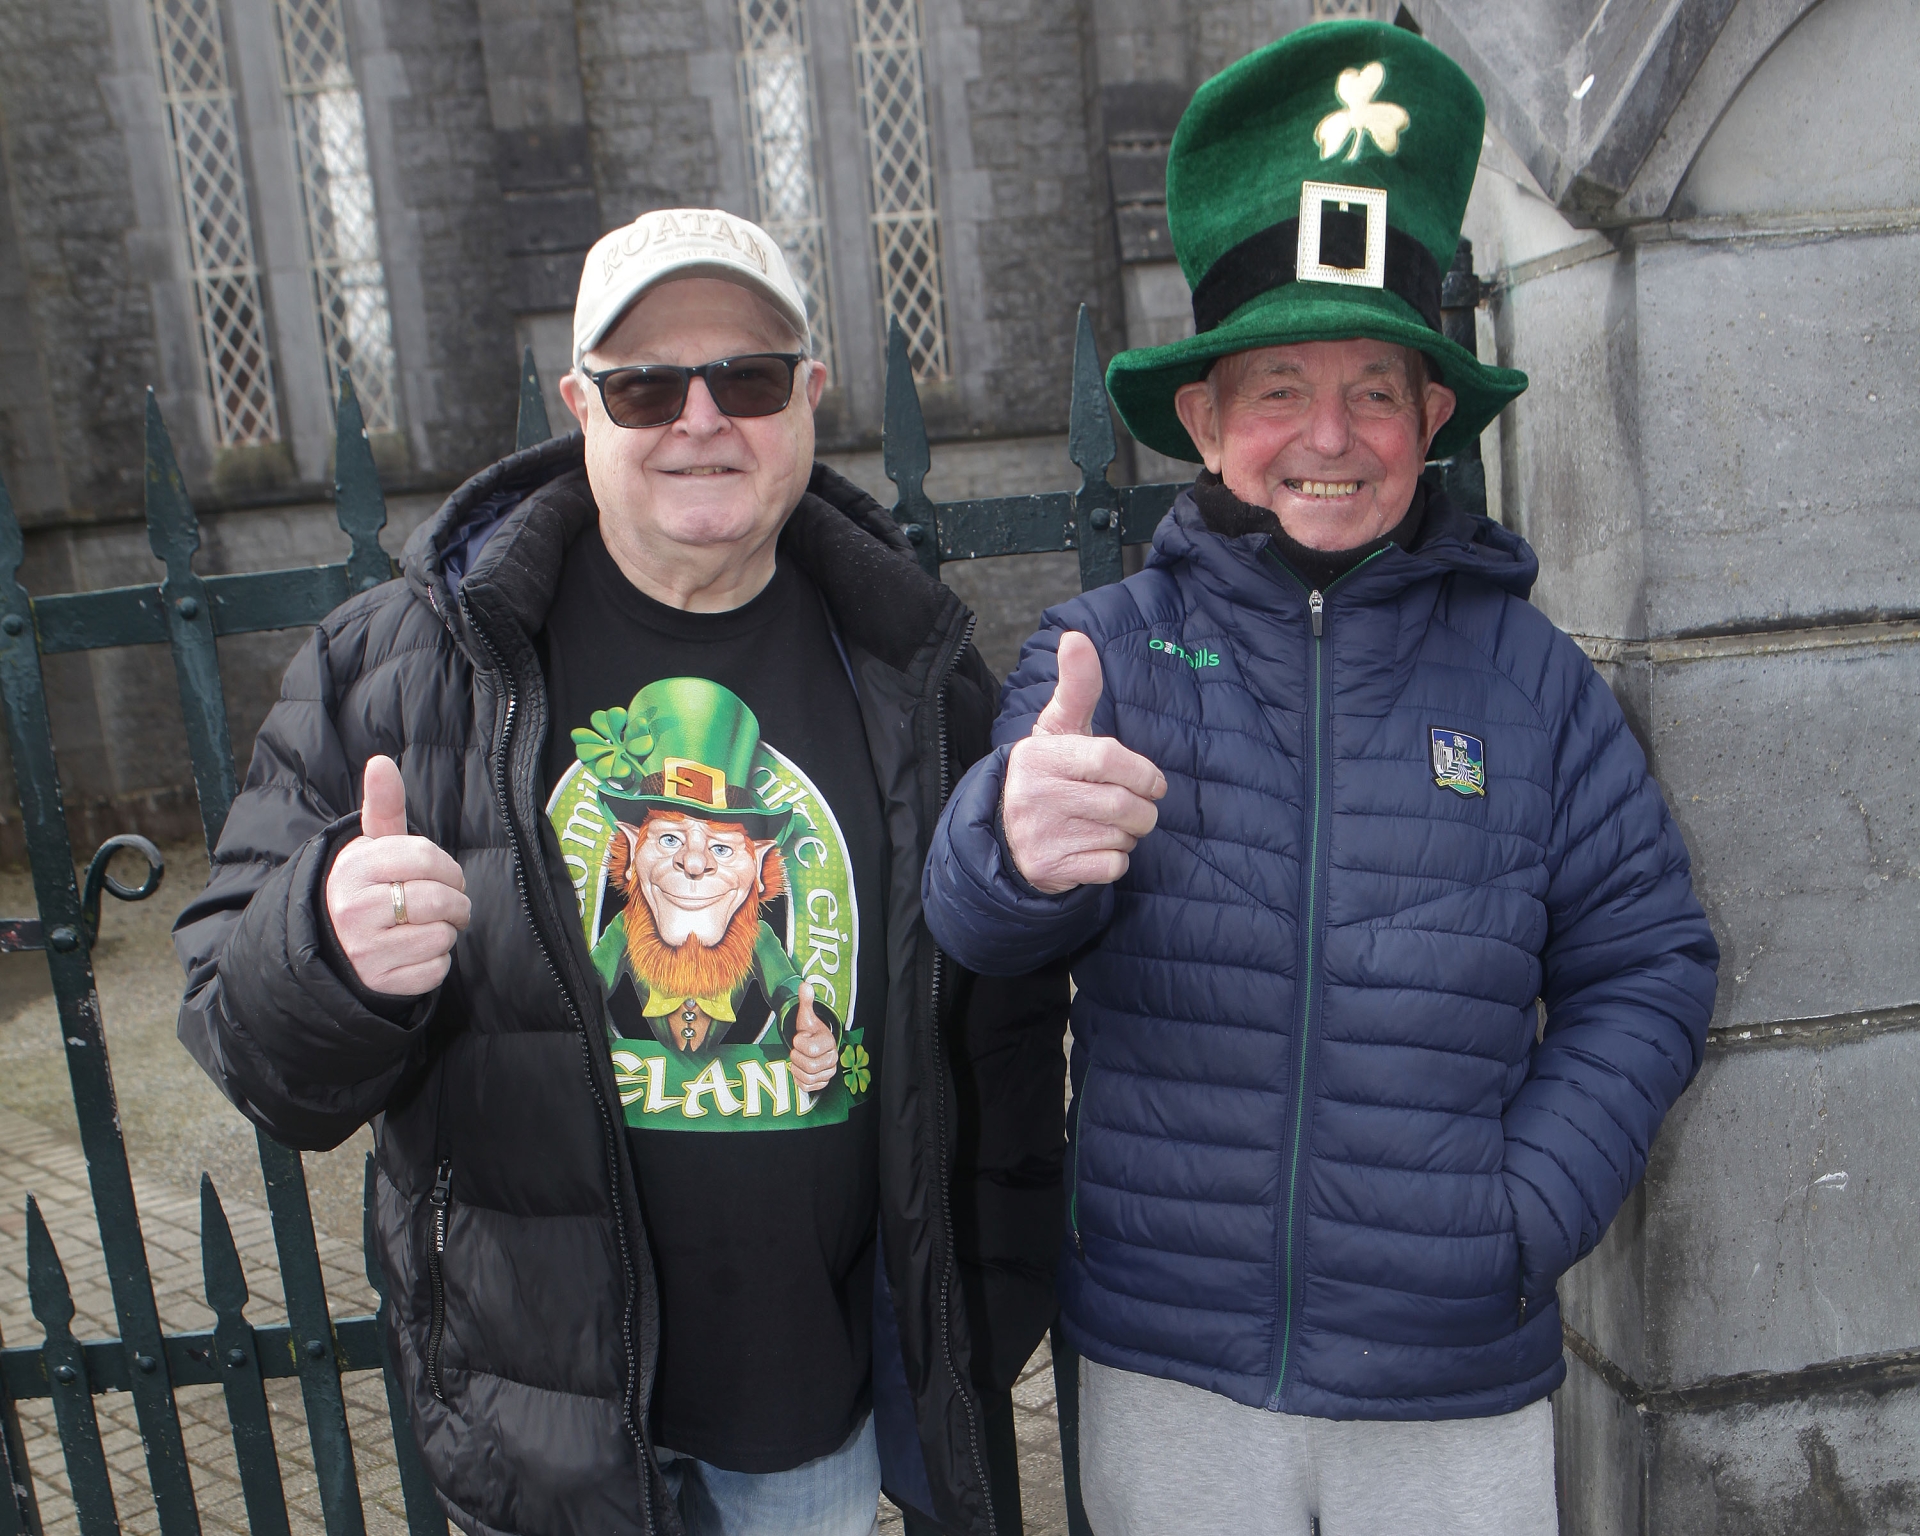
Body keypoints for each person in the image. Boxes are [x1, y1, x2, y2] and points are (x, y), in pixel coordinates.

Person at [921, 21, 1718, 1536]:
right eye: (1279, 386)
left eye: (1376, 389)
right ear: (1207, 420)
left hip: (1450, 1383)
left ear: (1433, 419)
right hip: (1173, 1375)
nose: (1329, 437)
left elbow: (1650, 964)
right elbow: (978, 924)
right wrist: (1007, 844)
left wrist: (1518, 1216)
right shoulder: (1107, 655)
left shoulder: (1532, 682)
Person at [176, 206, 1068, 1536]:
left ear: (810, 397)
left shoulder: (914, 672)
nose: (700, 418)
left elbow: (993, 1039)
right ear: (578, 405)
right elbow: (243, 1037)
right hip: (540, 1419)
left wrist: (979, 1316)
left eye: (748, 377)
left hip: (809, 1416)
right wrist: (328, 953)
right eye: (647, 384)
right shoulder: (399, 668)